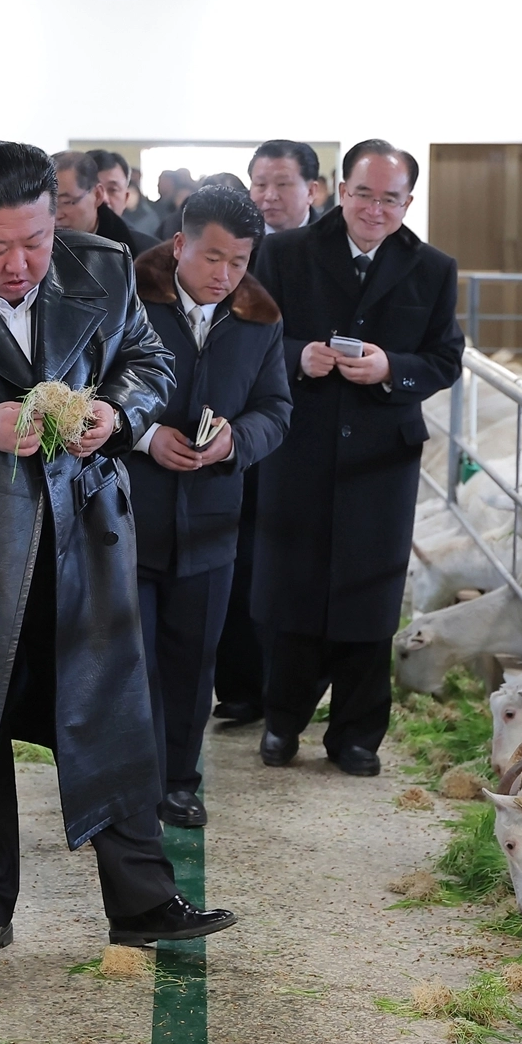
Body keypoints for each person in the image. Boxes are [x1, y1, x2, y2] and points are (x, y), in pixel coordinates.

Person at [0, 141, 238, 971]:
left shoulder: (102, 264)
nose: (21, 264)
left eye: (35, 242)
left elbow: (147, 360)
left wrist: (120, 417)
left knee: (111, 711)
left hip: (81, 535)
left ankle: (144, 903)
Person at [251, 142, 463, 776]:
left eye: (389, 198)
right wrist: (297, 356)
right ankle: (282, 722)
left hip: (381, 456)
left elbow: (446, 357)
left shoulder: (432, 268)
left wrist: (392, 367)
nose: (375, 209)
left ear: (408, 203)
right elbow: (251, 330)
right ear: (340, 190)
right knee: (292, 584)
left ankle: (356, 734)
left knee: (370, 594)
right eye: (363, 194)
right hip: (300, 444)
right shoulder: (285, 252)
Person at [125, 187, 291, 828]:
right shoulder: (125, 301)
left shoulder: (260, 321)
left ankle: (179, 781)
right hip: (127, 519)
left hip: (213, 522)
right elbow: (84, 387)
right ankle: (126, 787)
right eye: (212, 257)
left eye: (240, 262)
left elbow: (276, 410)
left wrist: (234, 442)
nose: (225, 276)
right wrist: (144, 435)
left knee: (194, 661)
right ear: (179, 246)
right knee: (129, 661)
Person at [209, 138, 324, 726]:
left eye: (282, 184)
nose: (269, 196)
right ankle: (241, 687)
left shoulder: (329, 253)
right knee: (236, 554)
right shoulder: (232, 246)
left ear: (314, 191)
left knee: (290, 561)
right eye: (259, 184)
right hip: (236, 425)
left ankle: (289, 689)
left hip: (305, 432)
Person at [54, 150, 157, 254]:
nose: (105, 199)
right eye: (51, 203)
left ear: (97, 195)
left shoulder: (146, 253)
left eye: (66, 202)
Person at [120, 163, 162, 239]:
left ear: (139, 195)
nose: (130, 198)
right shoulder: (117, 217)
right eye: (126, 194)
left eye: (133, 193)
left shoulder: (150, 217)